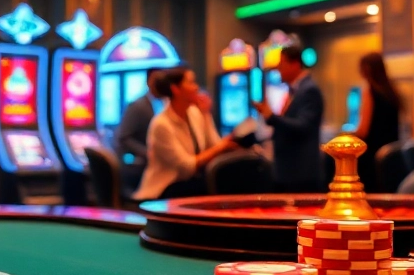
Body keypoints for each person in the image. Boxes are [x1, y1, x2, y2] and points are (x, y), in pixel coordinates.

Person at [135, 67, 237, 200]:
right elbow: (187, 167)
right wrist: (222, 147)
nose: (196, 87)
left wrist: (206, 114)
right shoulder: (161, 124)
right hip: (163, 191)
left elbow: (213, 144)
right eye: (191, 83)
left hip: (187, 186)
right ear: (175, 89)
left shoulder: (194, 113)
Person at [255, 45, 325, 193]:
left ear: (295, 64)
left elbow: (303, 126)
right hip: (289, 171)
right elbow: (286, 124)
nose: (278, 69)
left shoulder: (309, 90)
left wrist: (272, 117)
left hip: (300, 172)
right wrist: (268, 116)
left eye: (282, 64)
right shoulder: (295, 89)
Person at [352, 52, 403, 188]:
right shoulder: (391, 92)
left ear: (367, 69)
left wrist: (347, 136)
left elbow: (363, 130)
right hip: (391, 154)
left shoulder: (369, 92)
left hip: (372, 156)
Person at [114, 69, 162, 182]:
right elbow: (124, 137)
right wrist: (147, 153)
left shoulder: (166, 103)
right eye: (158, 80)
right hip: (141, 167)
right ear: (149, 81)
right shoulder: (137, 106)